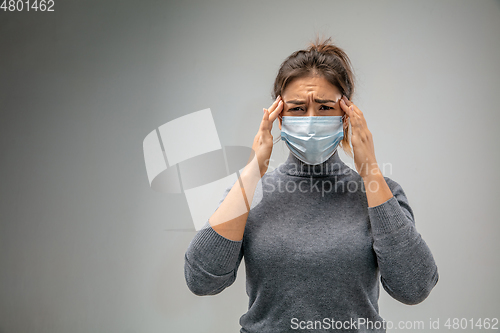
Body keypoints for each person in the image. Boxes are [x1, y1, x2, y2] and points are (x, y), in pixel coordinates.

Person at [184, 37, 439, 333]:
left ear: (346, 116)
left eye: (325, 107)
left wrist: (369, 169)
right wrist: (254, 171)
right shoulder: (249, 193)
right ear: (278, 119)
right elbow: (201, 280)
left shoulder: (382, 193)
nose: (311, 119)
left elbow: (415, 287)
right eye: (297, 108)